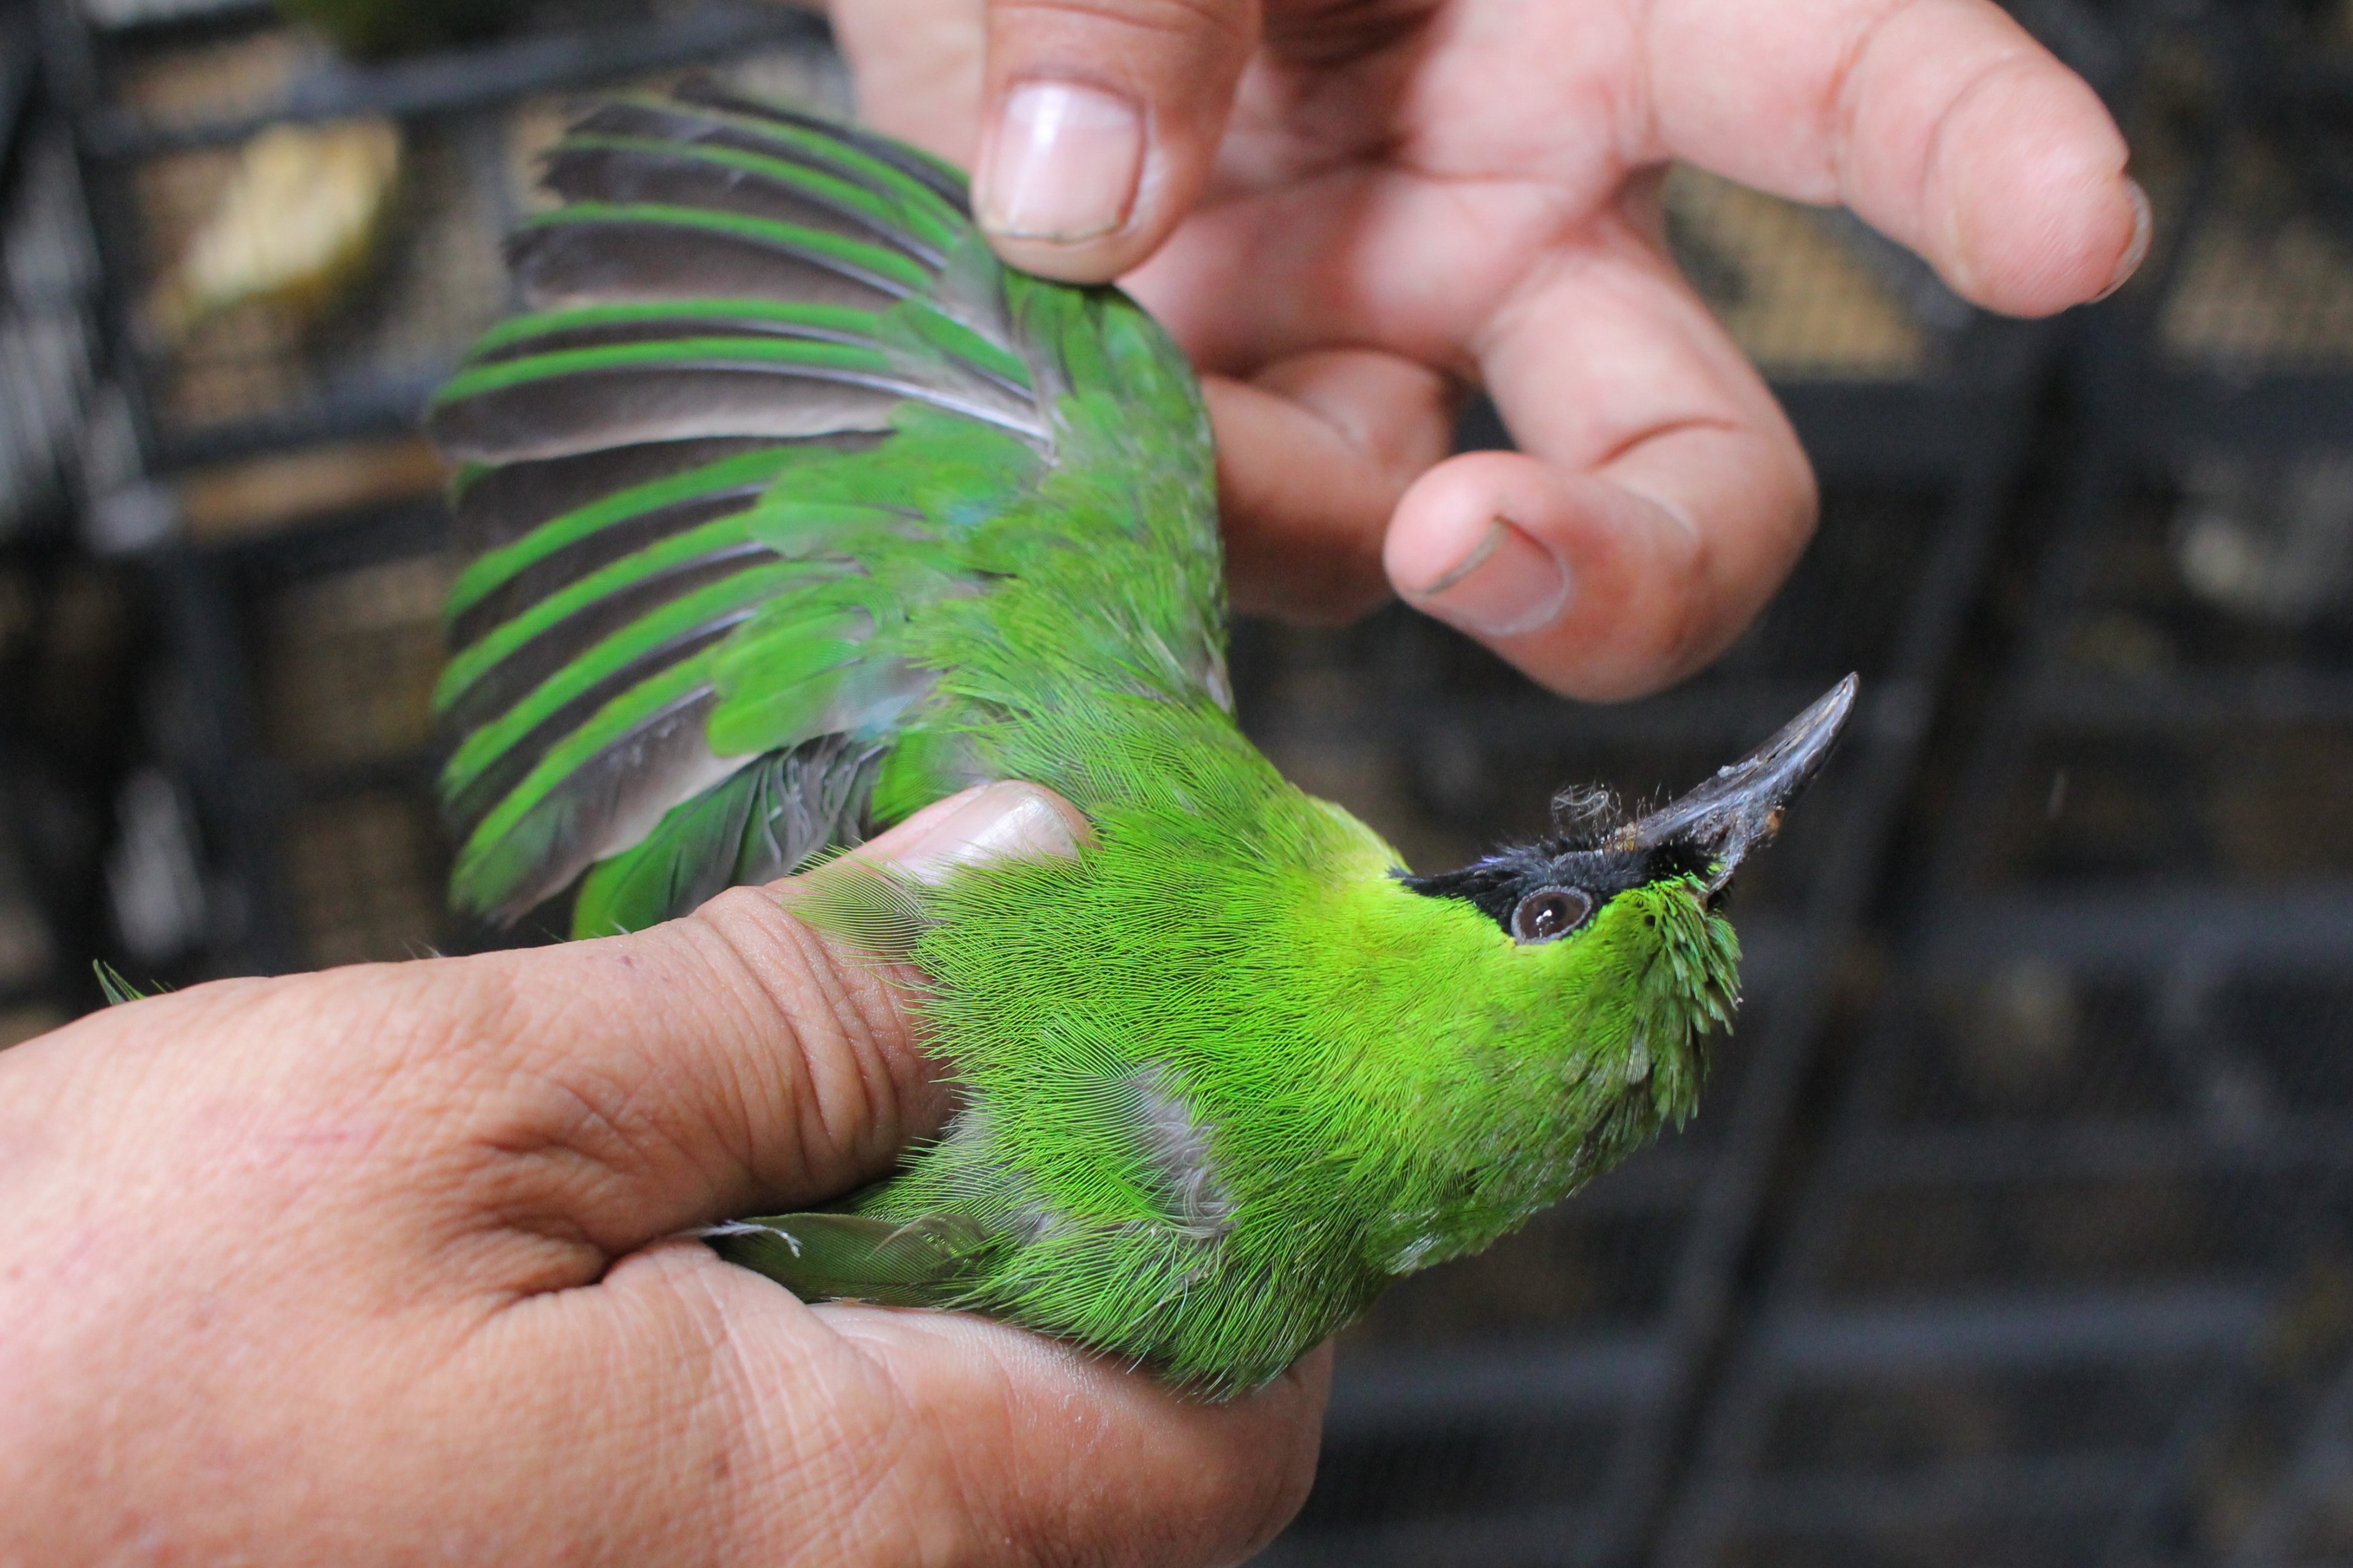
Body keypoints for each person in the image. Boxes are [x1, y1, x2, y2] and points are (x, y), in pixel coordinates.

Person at [0, 1, 2141, 1560]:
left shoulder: (1110, 772)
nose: (1591, 854)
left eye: (1558, 903)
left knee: (1081, 373)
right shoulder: (1223, 1332)